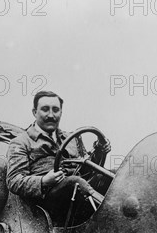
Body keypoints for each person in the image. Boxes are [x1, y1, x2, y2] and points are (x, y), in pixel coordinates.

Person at [6, 90, 111, 223]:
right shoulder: (21, 142)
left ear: (61, 112)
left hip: (78, 193)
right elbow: (14, 181)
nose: (51, 115)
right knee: (75, 183)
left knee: (112, 175)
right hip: (47, 204)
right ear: (34, 112)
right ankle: (109, 219)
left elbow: (87, 171)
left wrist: (101, 152)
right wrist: (43, 181)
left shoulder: (72, 138)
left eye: (55, 110)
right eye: (45, 109)